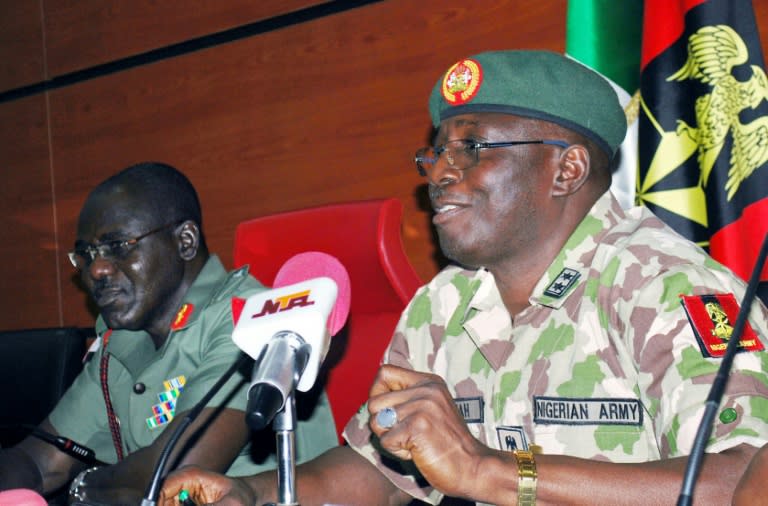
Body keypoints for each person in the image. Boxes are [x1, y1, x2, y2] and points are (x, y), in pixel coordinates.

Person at [160, 50, 768, 505]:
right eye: (438, 153)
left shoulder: (667, 287)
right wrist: (254, 495)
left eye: (473, 148)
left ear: (567, 168)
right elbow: (380, 471)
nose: (440, 173)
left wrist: (488, 471)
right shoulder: (445, 302)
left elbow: (740, 479)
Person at [0, 162, 338, 504]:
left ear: (185, 242)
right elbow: (39, 462)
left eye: (118, 246)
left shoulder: (250, 320)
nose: (97, 269)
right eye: (87, 255)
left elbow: (178, 473)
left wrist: (83, 486)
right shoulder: (123, 340)